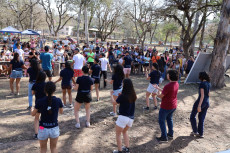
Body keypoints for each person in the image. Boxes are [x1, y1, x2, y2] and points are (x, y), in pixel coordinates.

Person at [31, 81, 63, 153]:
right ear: (54, 90)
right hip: (54, 127)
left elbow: (33, 114)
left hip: (42, 128)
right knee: (53, 148)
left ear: (45, 90)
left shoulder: (40, 101)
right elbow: (61, 112)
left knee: (43, 148)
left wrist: (32, 109)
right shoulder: (58, 100)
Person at [111, 79, 137, 153]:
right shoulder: (133, 95)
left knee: (118, 134)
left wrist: (111, 95)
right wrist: (120, 96)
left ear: (125, 85)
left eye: (123, 83)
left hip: (123, 117)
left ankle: (119, 151)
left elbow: (114, 103)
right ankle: (127, 148)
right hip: (131, 118)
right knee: (124, 132)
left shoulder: (123, 95)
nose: (122, 84)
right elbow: (125, 102)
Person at [154, 70, 179, 142]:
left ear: (170, 76)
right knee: (169, 119)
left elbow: (161, 96)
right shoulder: (176, 83)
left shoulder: (167, 86)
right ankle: (170, 134)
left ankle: (164, 137)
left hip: (166, 106)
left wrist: (156, 94)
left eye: (167, 74)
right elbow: (167, 92)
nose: (166, 75)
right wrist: (158, 88)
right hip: (173, 105)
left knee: (161, 121)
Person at [190, 72, 211, 138]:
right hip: (207, 102)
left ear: (201, 77)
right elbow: (209, 94)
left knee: (192, 116)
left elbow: (202, 96)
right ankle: (201, 133)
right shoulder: (209, 83)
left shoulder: (202, 84)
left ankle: (195, 131)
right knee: (201, 118)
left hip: (200, 102)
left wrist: (199, 106)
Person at [31, 71, 47, 139]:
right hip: (46, 103)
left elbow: (32, 93)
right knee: (43, 118)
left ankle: (37, 133)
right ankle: (42, 130)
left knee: (37, 118)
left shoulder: (35, 84)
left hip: (38, 103)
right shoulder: (46, 84)